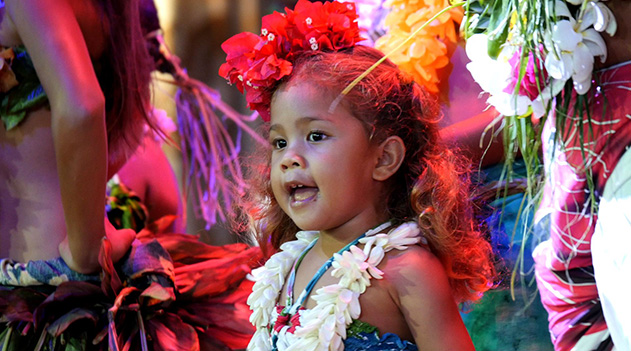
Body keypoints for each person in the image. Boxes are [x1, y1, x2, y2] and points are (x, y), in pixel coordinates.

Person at [220, 1, 495, 349]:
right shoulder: (289, 263)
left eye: (316, 136)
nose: (289, 158)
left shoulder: (405, 270)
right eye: (279, 142)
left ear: (384, 158)